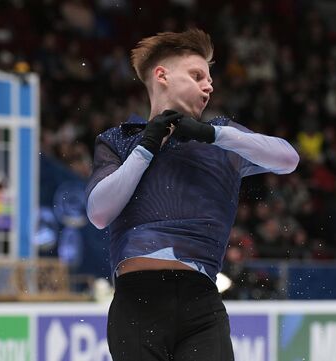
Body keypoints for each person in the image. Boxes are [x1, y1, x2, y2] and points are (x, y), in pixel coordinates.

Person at [85, 29, 299, 361]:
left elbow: (288, 159)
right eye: (197, 75)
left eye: (209, 78)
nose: (209, 85)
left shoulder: (223, 140)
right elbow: (98, 213)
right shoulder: (120, 139)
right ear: (162, 76)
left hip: (201, 303)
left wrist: (215, 134)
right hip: (137, 304)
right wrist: (146, 148)